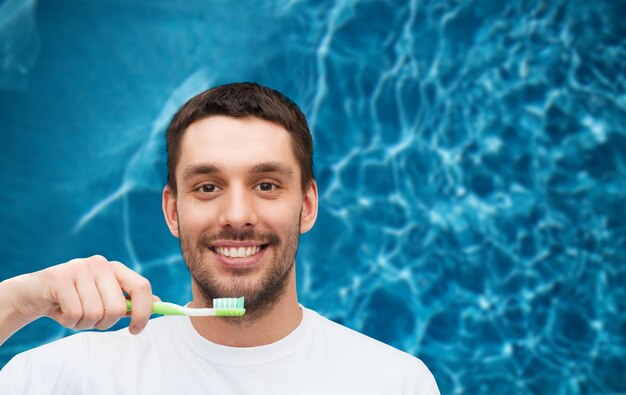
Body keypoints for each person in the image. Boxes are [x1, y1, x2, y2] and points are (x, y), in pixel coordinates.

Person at [0, 82, 439, 394]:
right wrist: (19, 301)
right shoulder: (65, 377)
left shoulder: (394, 382)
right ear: (173, 211)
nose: (237, 216)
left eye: (266, 185)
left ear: (307, 206)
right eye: (208, 187)